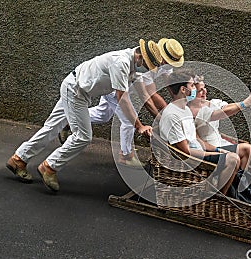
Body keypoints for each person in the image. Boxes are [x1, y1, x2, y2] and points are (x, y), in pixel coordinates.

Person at [6, 39, 160, 192]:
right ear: (141, 57)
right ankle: (49, 167)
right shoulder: (122, 63)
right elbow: (122, 98)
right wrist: (139, 126)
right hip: (76, 91)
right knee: (83, 136)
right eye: (147, 66)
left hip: (74, 87)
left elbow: (143, 94)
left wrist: (158, 118)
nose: (146, 69)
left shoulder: (131, 63)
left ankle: (18, 159)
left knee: (52, 127)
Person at [58, 38, 184, 168]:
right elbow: (148, 95)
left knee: (103, 115)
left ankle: (70, 119)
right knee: (129, 120)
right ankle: (125, 156)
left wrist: (177, 106)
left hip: (120, 86)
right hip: (116, 87)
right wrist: (159, 119)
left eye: (171, 63)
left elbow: (171, 86)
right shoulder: (146, 61)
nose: (166, 65)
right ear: (161, 54)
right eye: (166, 62)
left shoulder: (166, 64)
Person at [158, 70, 239, 195]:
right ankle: (220, 198)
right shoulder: (172, 115)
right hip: (187, 158)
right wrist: (208, 154)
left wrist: (218, 151)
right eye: (191, 85)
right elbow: (185, 152)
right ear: (183, 90)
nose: (194, 88)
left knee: (235, 154)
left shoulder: (185, 109)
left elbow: (196, 139)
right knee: (232, 160)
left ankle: (227, 192)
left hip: (198, 151)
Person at [188, 75, 251, 170]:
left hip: (221, 142)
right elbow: (220, 114)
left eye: (205, 88)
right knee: (246, 149)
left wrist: (244, 102)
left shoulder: (210, 103)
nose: (204, 92)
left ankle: (239, 179)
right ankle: (239, 180)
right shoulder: (192, 111)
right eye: (200, 90)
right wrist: (243, 104)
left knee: (247, 149)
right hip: (210, 148)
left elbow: (226, 108)